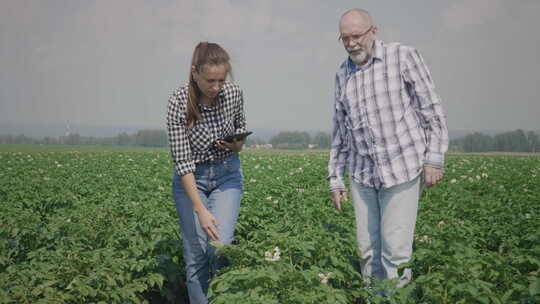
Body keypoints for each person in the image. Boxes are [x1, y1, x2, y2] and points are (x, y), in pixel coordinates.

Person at [328, 9, 449, 289]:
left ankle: (395, 298)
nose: (351, 43)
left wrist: (434, 158)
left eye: (356, 36)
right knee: (367, 251)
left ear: (374, 31)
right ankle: (374, 298)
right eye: (344, 38)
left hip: (402, 167)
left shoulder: (402, 56)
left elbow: (431, 108)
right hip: (363, 175)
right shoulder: (342, 74)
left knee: (394, 252)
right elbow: (340, 132)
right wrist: (335, 179)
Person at [166, 42, 247, 304]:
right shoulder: (178, 102)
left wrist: (235, 144)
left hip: (227, 176)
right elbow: (183, 163)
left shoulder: (233, 93)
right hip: (192, 181)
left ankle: (222, 297)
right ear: (194, 73)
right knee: (197, 255)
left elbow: (241, 133)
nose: (216, 87)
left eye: (221, 80)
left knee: (219, 246)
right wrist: (200, 209)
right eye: (210, 80)